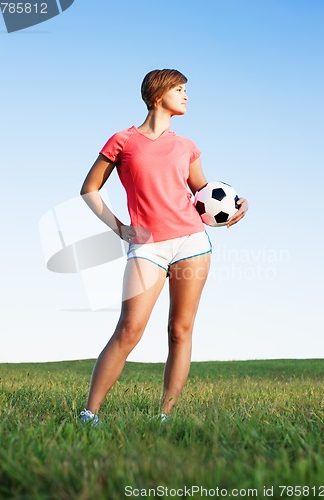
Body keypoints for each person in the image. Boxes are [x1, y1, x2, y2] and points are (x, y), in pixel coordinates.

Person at [79, 69, 248, 425]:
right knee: (129, 329)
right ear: (158, 96)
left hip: (192, 242)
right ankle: (88, 414)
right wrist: (119, 228)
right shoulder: (122, 140)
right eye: (179, 89)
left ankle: (165, 416)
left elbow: (206, 195)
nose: (186, 96)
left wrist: (238, 204)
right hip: (147, 247)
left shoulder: (187, 146)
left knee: (180, 330)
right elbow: (89, 188)